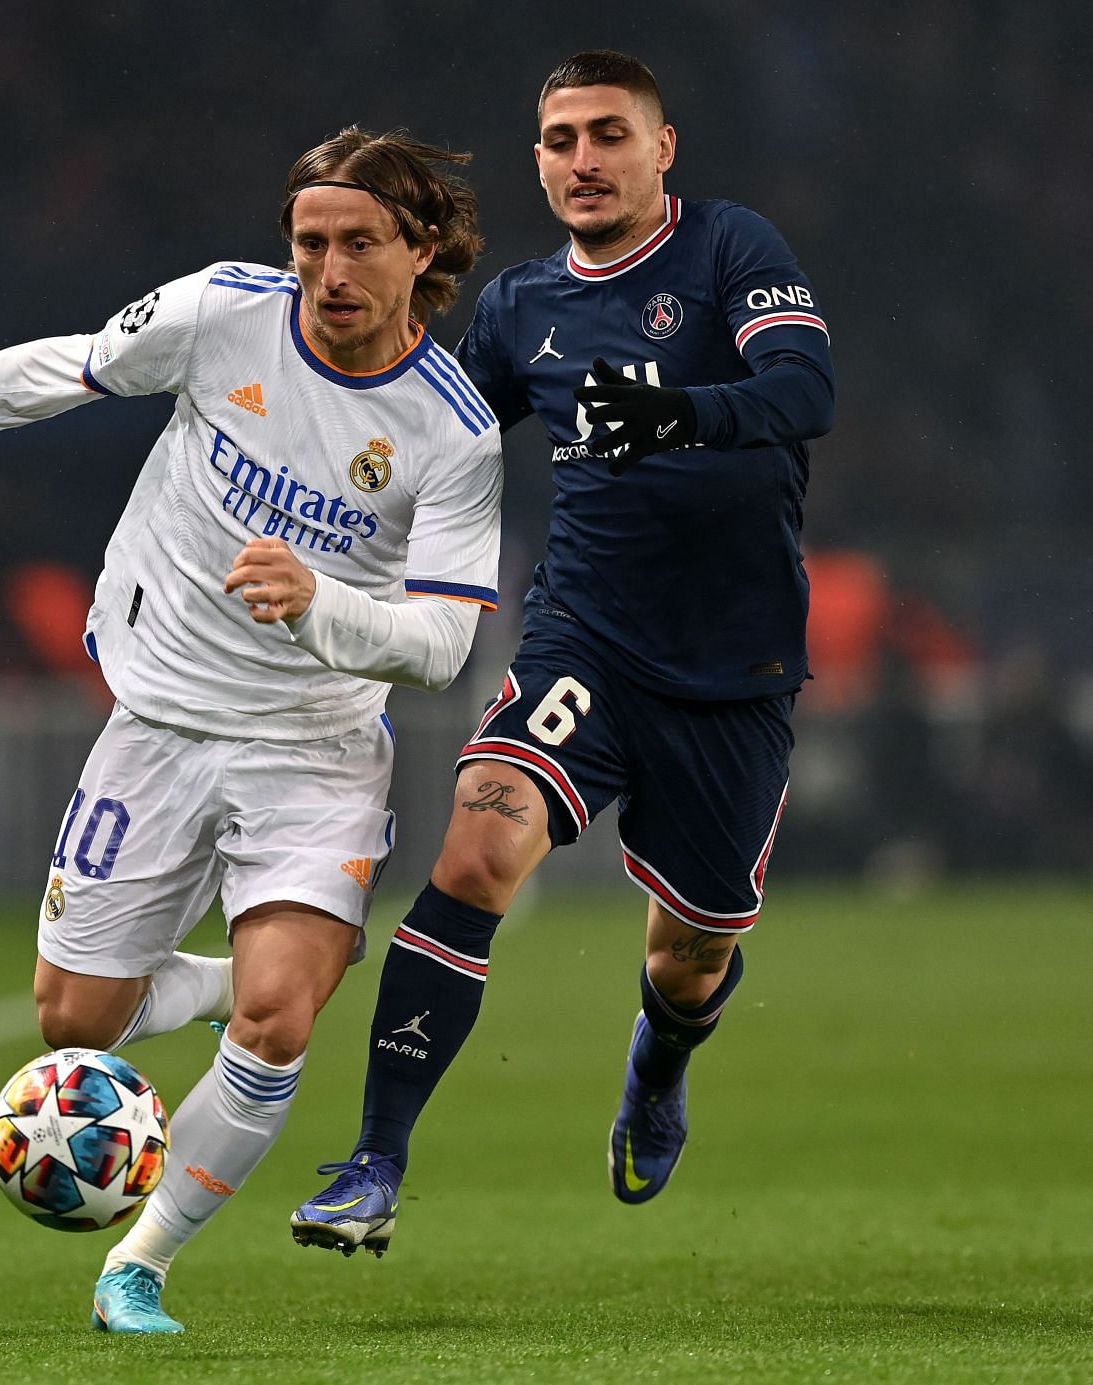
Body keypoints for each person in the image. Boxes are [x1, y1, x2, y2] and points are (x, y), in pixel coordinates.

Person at [0, 128, 502, 1331]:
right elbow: (62, 369)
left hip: (312, 750)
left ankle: (139, 1265)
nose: (331, 269)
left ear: (421, 251)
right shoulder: (221, 313)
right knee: (75, 1021)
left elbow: (441, 647)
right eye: (312, 242)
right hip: (157, 721)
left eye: (360, 244)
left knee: (275, 1024)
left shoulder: (451, 427)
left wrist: (323, 604)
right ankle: (255, 974)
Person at [291, 50, 835, 1255]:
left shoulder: (730, 249)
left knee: (690, 957)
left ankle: (660, 1064)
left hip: (733, 671)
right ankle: (373, 1161)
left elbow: (805, 390)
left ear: (662, 147)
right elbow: (435, 440)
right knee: (479, 846)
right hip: (583, 639)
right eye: (558, 141)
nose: (582, 161)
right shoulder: (524, 306)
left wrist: (680, 411)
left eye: (606, 134)